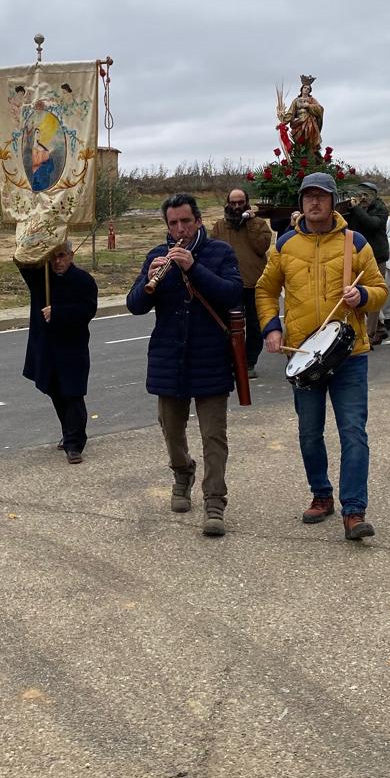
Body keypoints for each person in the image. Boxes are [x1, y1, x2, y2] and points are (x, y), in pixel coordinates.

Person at [257, 173, 387, 541]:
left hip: (350, 353)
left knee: (353, 432)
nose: (314, 203)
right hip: (303, 354)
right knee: (310, 433)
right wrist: (272, 328)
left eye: (322, 197)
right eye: (308, 197)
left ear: (333, 202)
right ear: (301, 203)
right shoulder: (284, 245)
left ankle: (354, 510)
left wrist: (362, 296)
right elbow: (265, 291)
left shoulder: (355, 242)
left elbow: (380, 290)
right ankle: (321, 495)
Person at [127, 193, 243, 537]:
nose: (180, 229)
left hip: (210, 359)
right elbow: (134, 306)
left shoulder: (220, 253)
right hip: (169, 360)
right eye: (173, 223)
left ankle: (215, 502)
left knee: (213, 436)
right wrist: (147, 285)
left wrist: (193, 266)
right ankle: (182, 473)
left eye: (186, 222)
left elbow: (233, 294)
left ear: (198, 221)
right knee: (171, 430)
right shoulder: (156, 256)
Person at [16, 242, 98, 462]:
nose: (57, 261)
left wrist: (59, 312)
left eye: (62, 256)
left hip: (72, 348)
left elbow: (88, 310)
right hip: (46, 348)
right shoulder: (42, 278)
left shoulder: (83, 280)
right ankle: (68, 432)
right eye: (53, 257)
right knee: (55, 390)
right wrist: (29, 240)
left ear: (71, 255)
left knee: (72, 394)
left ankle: (75, 444)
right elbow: (23, 264)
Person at [210, 187, 272, 374]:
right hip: (229, 286)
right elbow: (212, 253)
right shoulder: (219, 227)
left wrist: (251, 222)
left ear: (246, 202)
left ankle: (249, 362)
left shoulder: (259, 224)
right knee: (229, 325)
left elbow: (261, 247)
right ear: (228, 204)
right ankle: (232, 360)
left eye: (240, 202)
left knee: (254, 326)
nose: (237, 207)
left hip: (254, 284)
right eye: (233, 203)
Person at [345, 181, 390, 345]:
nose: (363, 198)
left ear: (375, 195)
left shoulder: (380, 209)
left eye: (367, 195)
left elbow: (372, 224)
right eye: (361, 194)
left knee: (374, 295)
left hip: (377, 257)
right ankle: (378, 328)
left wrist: (356, 209)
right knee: (357, 294)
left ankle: (369, 335)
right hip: (359, 256)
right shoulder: (356, 209)